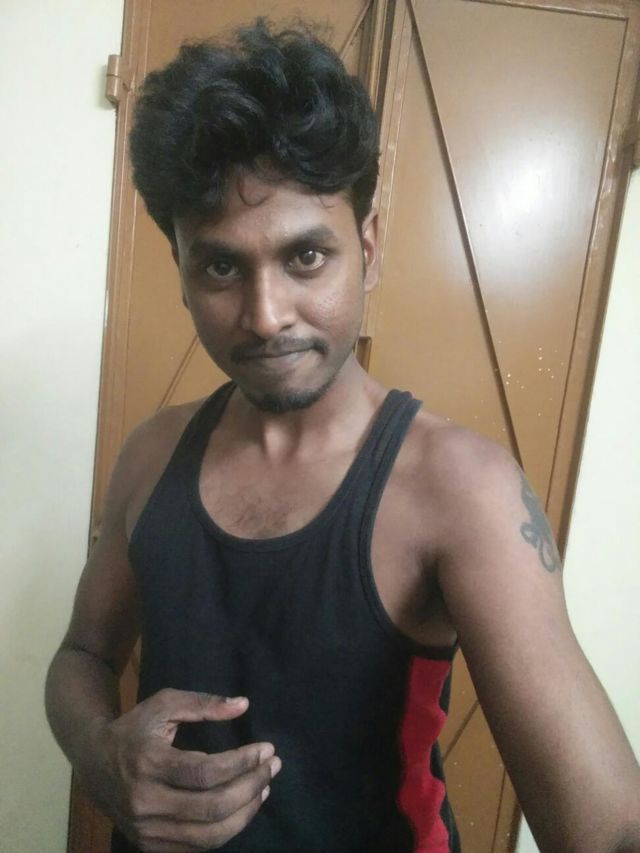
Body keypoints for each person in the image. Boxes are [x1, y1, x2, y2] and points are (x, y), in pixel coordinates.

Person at [45, 19, 640, 853]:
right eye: (221, 266)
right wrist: (101, 755)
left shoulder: (460, 487)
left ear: (368, 247)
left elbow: (609, 827)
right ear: (180, 271)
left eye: (306, 258)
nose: (265, 316)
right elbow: (81, 654)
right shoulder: (151, 454)